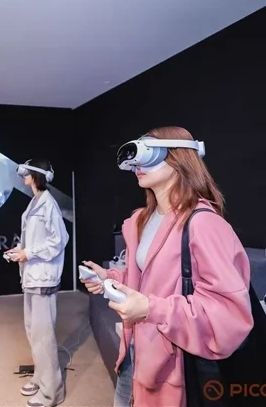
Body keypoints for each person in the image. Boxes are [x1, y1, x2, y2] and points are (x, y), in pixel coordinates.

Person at [81, 127, 254, 407]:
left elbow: (228, 315)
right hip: (134, 356)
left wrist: (152, 309)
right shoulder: (141, 221)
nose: (137, 165)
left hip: (173, 371)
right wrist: (110, 278)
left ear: (179, 158)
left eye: (148, 154)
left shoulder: (204, 224)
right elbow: (151, 281)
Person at [6, 159, 69, 407]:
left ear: (36, 176)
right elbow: (35, 238)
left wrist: (29, 253)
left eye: (27, 172)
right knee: (33, 332)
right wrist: (21, 250)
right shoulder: (35, 201)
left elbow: (58, 240)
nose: (23, 175)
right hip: (31, 276)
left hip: (43, 277)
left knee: (44, 337)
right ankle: (40, 378)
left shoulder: (48, 204)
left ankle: (52, 392)